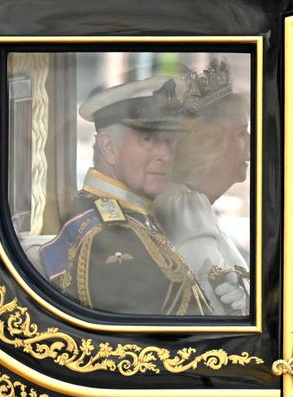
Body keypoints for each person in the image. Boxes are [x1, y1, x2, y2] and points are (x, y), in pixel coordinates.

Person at [39, 76, 210, 316]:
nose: (165, 155)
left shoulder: (124, 214)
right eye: (148, 140)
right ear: (109, 147)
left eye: (169, 141)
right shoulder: (110, 233)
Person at [153, 60, 250, 316]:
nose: (251, 142)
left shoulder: (191, 204)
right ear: (208, 144)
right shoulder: (185, 207)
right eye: (241, 132)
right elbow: (215, 311)